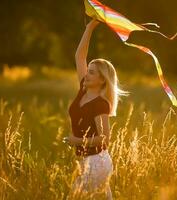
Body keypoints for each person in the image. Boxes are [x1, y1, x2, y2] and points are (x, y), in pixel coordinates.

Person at [65, 19, 130, 199]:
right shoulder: (83, 89)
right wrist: (90, 28)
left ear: (102, 80)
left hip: (97, 162)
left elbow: (105, 139)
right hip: (87, 161)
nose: (87, 74)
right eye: (88, 70)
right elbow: (79, 56)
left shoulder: (101, 104)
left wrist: (77, 141)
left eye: (92, 72)